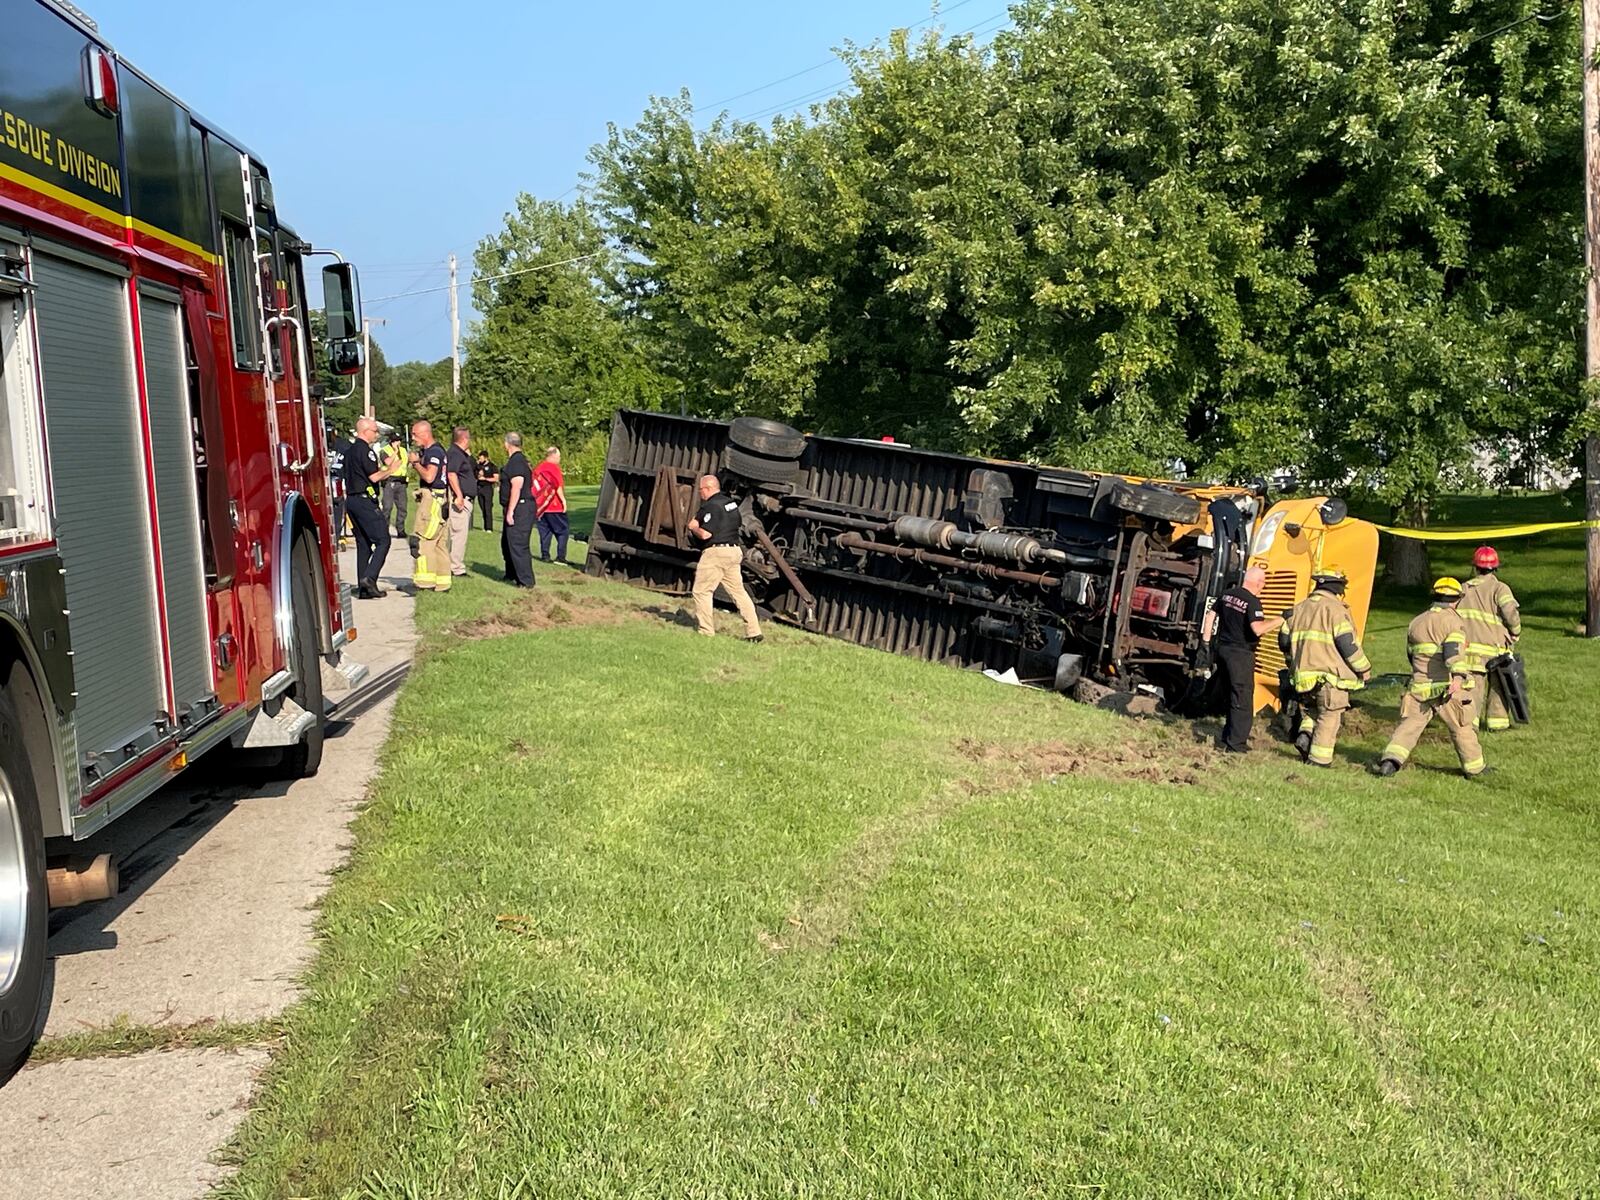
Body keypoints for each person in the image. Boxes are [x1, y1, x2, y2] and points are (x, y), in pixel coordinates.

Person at [1375, 577, 1487, 778]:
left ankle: (1390, 761)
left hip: (1420, 686)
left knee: (1409, 727)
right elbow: (1453, 653)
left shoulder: (1416, 622)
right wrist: (1458, 678)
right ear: (1456, 600)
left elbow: (1411, 654)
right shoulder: (1452, 622)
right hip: (1446, 686)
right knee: (1461, 727)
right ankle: (1475, 769)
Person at [1278, 569, 1371, 767]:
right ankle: (1319, 760)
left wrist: (1292, 660)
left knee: (1313, 710)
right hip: (1330, 676)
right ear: (1338, 589)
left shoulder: (1298, 608)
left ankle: (1304, 734)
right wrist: (1364, 669)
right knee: (1330, 714)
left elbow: (1284, 640)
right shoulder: (1336, 610)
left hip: (1303, 676)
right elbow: (1348, 644)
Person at [1211, 565, 1282, 753]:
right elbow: (1257, 629)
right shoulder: (1253, 602)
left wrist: (1206, 640)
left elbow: (1211, 614)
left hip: (1223, 650)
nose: (1263, 586)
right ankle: (1236, 744)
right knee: (1242, 699)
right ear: (1258, 583)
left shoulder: (1227, 594)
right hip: (1241, 654)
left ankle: (1227, 736)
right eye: (1263, 583)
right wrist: (1281, 619)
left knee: (1229, 695)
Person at [688, 474, 762, 642]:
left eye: (701, 490)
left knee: (702, 591)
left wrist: (694, 528)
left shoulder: (710, 506)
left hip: (716, 553)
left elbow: (706, 534)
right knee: (739, 593)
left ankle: (706, 631)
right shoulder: (731, 504)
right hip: (734, 551)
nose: (700, 494)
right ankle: (754, 631)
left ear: (708, 488)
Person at [1458, 545, 1522, 731]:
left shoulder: (1463, 589)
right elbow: (1510, 613)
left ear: (1475, 567)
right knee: (1499, 688)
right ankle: (1498, 724)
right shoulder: (1500, 588)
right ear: (1495, 567)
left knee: (1472, 689)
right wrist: (1515, 632)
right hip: (1496, 651)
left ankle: (1469, 725)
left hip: (1469, 650)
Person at [343, 417, 398, 599]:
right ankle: (370, 577)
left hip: (351, 500)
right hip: (365, 501)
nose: (376, 434)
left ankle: (363, 589)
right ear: (365, 431)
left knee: (364, 544)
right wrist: (391, 470)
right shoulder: (365, 451)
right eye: (375, 431)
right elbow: (374, 477)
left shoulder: (349, 451)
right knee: (383, 540)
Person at [409, 420, 451, 592]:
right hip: (441, 500)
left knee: (424, 541)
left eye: (415, 434)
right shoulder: (439, 450)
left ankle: (425, 583)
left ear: (425, 433)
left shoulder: (434, 453)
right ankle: (442, 583)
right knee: (440, 545)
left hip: (432, 501)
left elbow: (429, 477)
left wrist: (415, 463)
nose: (413, 438)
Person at [500, 432, 536, 588]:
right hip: (519, 506)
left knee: (518, 543)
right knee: (507, 543)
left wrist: (511, 511)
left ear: (507, 444)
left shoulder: (516, 462)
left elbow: (517, 486)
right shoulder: (519, 461)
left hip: (520, 506)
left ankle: (526, 582)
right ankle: (511, 574)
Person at [445, 426, 476, 579]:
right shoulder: (456, 454)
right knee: (458, 534)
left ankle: (453, 564)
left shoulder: (458, 453)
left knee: (458, 533)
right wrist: (459, 495)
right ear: (464, 439)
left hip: (464, 498)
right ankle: (456, 567)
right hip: (460, 499)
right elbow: (452, 474)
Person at [533, 445, 570, 565]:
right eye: (559, 456)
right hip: (554, 506)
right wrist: (563, 500)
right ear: (553, 456)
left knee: (545, 531)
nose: (560, 459)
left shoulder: (539, 467)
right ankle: (561, 556)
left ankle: (545, 555)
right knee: (563, 530)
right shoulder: (554, 468)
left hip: (541, 507)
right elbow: (557, 485)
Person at [379, 433, 409, 543]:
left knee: (402, 507)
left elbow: (406, 463)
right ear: (391, 442)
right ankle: (384, 531)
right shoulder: (385, 451)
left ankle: (401, 530)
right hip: (389, 481)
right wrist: (396, 452)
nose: (398, 443)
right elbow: (387, 462)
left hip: (401, 481)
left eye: (399, 440)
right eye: (395, 441)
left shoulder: (404, 451)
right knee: (387, 507)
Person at [328, 425, 351, 549]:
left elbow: (350, 465)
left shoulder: (344, 445)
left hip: (338, 483)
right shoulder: (315, 443)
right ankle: (335, 539)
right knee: (337, 513)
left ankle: (336, 538)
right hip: (330, 483)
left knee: (338, 512)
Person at [475, 450, 499, 531]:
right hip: (479, 488)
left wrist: (485, 478)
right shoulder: (478, 466)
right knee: (482, 508)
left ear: (486, 458)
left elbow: (496, 478)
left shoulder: (492, 466)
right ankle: (484, 526)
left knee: (488, 508)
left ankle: (489, 528)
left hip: (488, 488)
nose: (480, 460)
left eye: (481, 458)